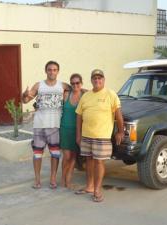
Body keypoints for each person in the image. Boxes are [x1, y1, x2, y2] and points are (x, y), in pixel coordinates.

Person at [75, 69, 124, 202]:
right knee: (89, 161)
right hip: (86, 135)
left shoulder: (111, 94)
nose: (97, 80)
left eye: (99, 78)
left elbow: (118, 116)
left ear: (103, 80)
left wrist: (120, 131)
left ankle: (97, 189)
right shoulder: (85, 96)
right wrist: (78, 135)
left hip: (102, 136)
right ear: (91, 80)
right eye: (94, 78)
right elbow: (79, 116)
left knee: (99, 162)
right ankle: (89, 186)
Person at [22, 61, 70, 189]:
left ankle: (53, 178)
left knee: (55, 154)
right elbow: (25, 100)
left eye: (54, 70)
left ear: (58, 71)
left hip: (55, 126)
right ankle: (37, 180)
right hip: (39, 125)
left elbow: (76, 90)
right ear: (46, 71)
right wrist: (24, 94)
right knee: (37, 154)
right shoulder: (39, 85)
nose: (52, 72)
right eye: (50, 69)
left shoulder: (63, 85)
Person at [60, 73, 86, 189]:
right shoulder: (66, 94)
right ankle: (62, 179)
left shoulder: (85, 95)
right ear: (70, 84)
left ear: (81, 83)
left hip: (77, 131)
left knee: (73, 158)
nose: (75, 85)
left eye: (77, 83)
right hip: (65, 129)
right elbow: (58, 85)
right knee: (66, 156)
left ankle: (68, 181)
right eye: (73, 83)